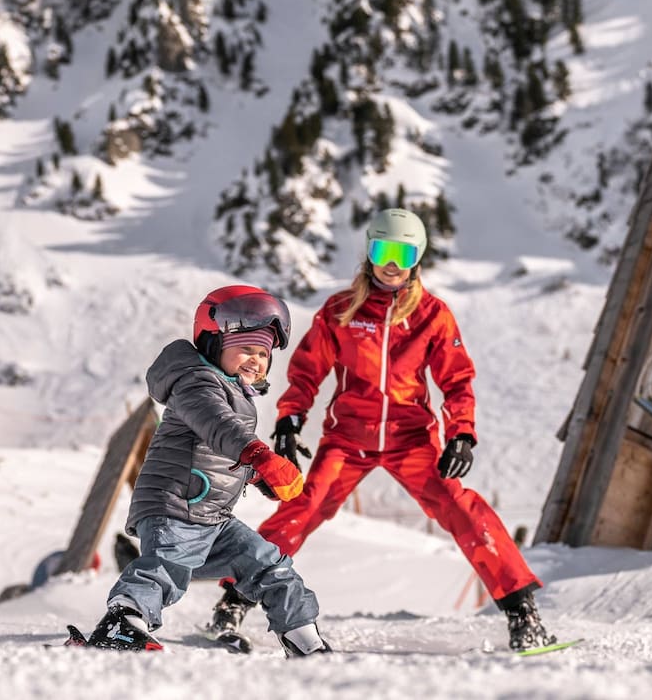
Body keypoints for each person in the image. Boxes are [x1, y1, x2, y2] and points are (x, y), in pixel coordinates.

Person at [206, 209, 556, 652]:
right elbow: (307, 372)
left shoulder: (432, 315)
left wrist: (462, 433)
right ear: (369, 252)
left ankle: (523, 612)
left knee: (463, 508)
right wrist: (290, 419)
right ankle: (233, 602)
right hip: (348, 438)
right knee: (302, 508)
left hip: (412, 439)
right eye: (382, 250)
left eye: (403, 252)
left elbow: (456, 380)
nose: (392, 263)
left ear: (418, 257)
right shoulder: (340, 310)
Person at [74, 284, 332, 656]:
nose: (255, 360)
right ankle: (122, 623)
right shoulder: (196, 382)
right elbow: (217, 425)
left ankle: (304, 640)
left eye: (263, 353)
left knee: (269, 565)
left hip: (211, 517)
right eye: (245, 348)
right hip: (175, 506)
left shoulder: (233, 392)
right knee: (167, 568)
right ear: (213, 342)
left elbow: (215, 453)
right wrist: (259, 455)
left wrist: (259, 477)